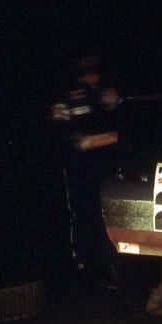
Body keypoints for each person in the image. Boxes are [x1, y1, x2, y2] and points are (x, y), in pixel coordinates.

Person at [49, 54, 121, 288]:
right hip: (79, 166)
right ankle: (83, 266)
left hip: (108, 166)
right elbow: (65, 137)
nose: (91, 72)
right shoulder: (67, 95)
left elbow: (121, 123)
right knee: (82, 214)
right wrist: (99, 141)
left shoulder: (107, 92)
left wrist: (111, 139)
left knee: (107, 213)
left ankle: (111, 265)